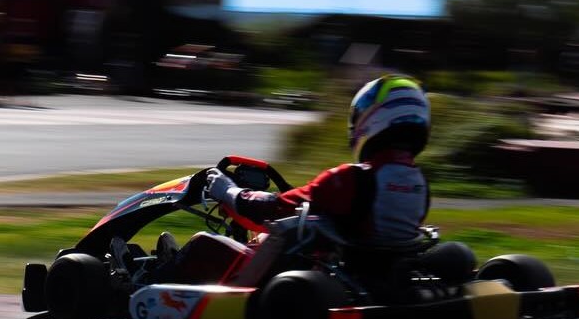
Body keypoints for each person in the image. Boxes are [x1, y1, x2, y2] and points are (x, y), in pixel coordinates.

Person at [153, 74, 433, 285]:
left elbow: (272, 210)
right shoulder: (420, 184)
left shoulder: (351, 179)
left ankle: (141, 283)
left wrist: (228, 192)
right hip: (373, 278)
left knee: (204, 243)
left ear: (372, 118)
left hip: (320, 278)